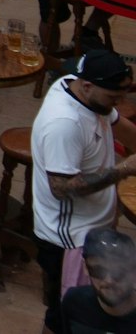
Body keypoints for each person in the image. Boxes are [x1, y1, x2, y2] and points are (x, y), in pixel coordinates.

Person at [33, 50, 136, 334]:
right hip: (69, 239)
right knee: (66, 313)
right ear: (88, 86)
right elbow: (62, 188)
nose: (120, 103)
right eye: (114, 97)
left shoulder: (83, 89)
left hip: (92, 225)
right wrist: (124, 169)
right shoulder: (63, 124)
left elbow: (118, 123)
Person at [63, 228, 136, 334]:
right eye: (98, 270)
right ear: (86, 268)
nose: (108, 280)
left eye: (119, 272)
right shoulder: (74, 301)